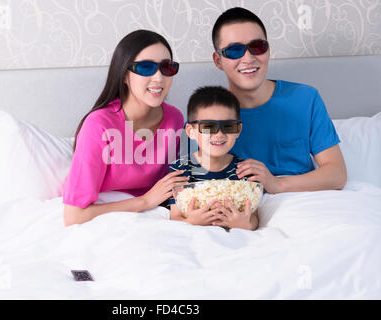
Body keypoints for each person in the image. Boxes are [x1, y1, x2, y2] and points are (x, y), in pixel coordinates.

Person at [211, 7, 347, 194]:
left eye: (257, 47)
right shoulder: (208, 115)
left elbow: (337, 174)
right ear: (218, 61)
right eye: (234, 51)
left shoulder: (306, 99)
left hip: (302, 202)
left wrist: (277, 184)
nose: (248, 58)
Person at [63, 30, 188, 226]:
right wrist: (145, 201)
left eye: (167, 68)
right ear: (124, 75)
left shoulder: (175, 119)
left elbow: (169, 186)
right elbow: (74, 216)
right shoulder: (99, 125)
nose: (159, 78)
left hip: (155, 216)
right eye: (146, 67)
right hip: (104, 218)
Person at [169, 86, 258, 230]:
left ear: (238, 130)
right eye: (209, 126)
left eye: (228, 126)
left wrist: (245, 224)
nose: (219, 134)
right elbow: (175, 217)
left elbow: (253, 217)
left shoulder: (245, 170)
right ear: (191, 131)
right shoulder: (180, 169)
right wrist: (191, 222)